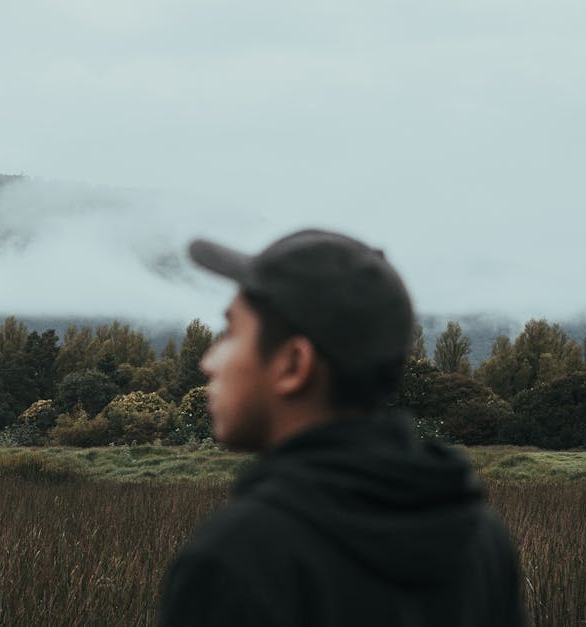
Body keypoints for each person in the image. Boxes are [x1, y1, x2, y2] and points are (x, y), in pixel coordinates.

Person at [159, 229, 524, 627]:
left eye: (230, 333)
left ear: (294, 365)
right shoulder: (482, 540)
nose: (209, 361)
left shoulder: (234, 560)